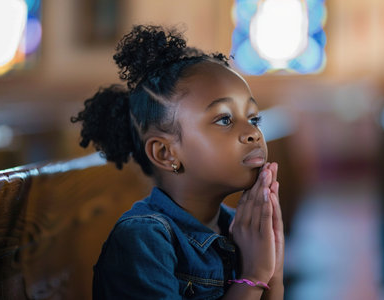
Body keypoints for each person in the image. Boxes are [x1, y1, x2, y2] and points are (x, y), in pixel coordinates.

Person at [71, 25, 284, 300]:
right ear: (165, 153)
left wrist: (273, 273)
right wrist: (253, 277)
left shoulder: (240, 227)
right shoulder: (144, 240)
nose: (253, 133)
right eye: (224, 119)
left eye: (254, 119)